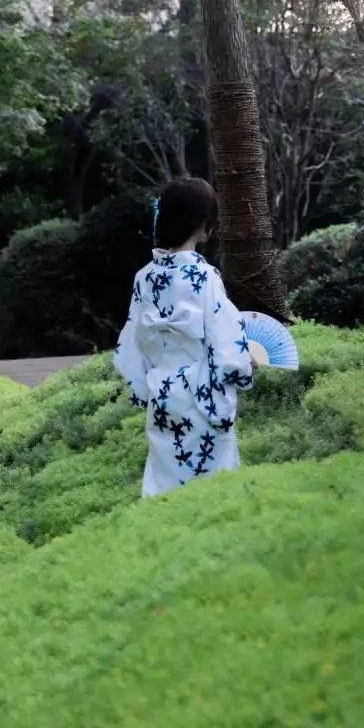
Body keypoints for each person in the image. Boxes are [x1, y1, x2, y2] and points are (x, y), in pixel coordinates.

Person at [114, 177, 255, 498]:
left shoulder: (144, 278)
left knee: (164, 485)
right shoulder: (204, 276)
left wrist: (144, 388)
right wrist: (243, 367)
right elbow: (225, 340)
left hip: (163, 394)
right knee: (213, 488)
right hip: (201, 396)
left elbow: (133, 345)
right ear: (204, 224)